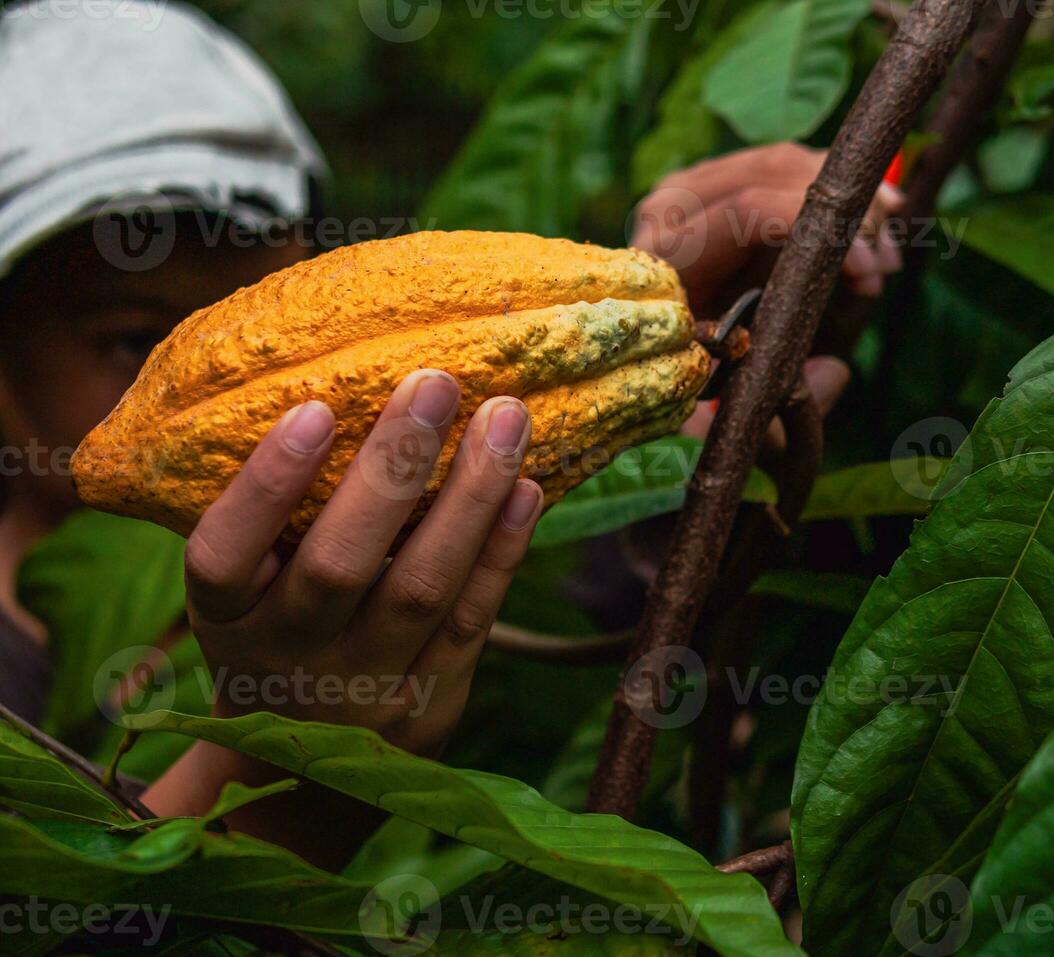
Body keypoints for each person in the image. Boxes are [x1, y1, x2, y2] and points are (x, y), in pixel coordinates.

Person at [0, 0, 902, 867]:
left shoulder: (485, 555)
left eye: (248, 311)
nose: (280, 401)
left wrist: (696, 362)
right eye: (131, 335)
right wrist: (298, 766)